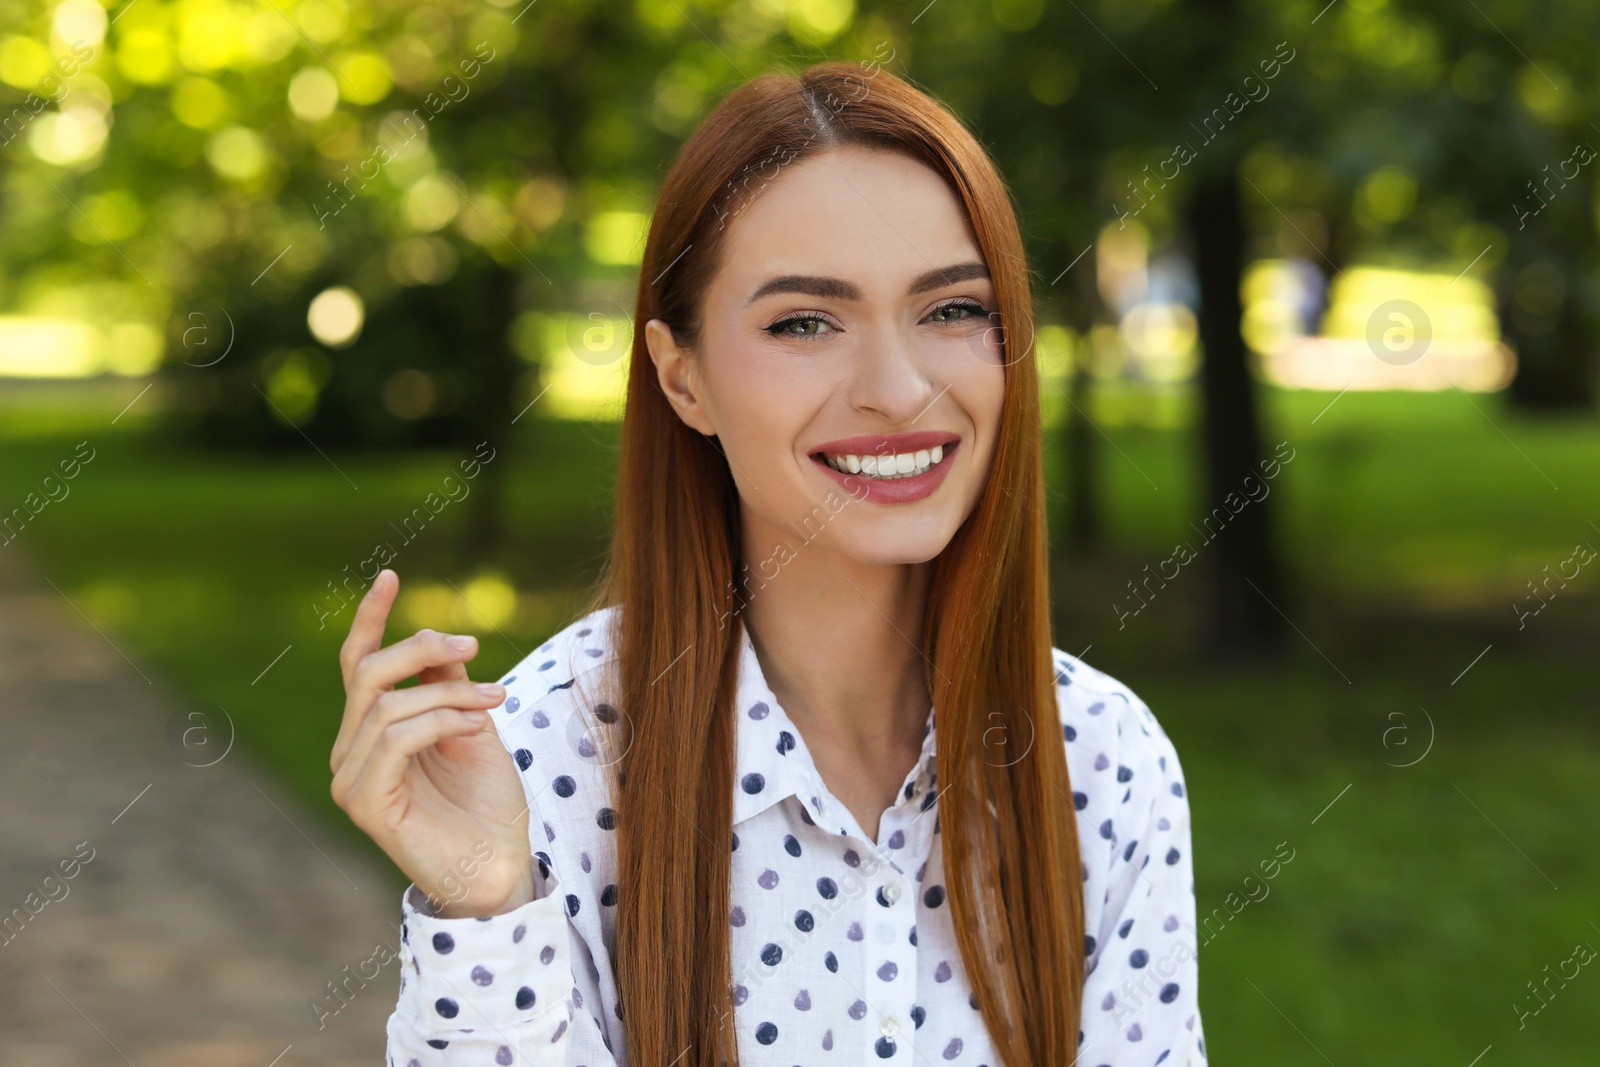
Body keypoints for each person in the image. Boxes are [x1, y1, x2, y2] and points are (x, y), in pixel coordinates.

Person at [329, 59, 1207, 1067]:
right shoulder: (541, 762)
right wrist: (486, 908)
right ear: (682, 377)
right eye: (804, 321)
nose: (897, 388)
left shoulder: (1101, 757)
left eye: (952, 309)